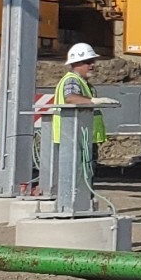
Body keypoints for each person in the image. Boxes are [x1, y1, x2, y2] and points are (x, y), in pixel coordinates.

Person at [46, 44, 108, 192]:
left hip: (81, 137)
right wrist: (92, 101)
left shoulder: (82, 82)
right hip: (74, 138)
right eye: (88, 62)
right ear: (76, 63)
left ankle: (83, 205)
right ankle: (79, 205)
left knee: (85, 174)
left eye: (92, 61)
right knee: (79, 176)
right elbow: (70, 98)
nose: (92, 65)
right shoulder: (72, 80)